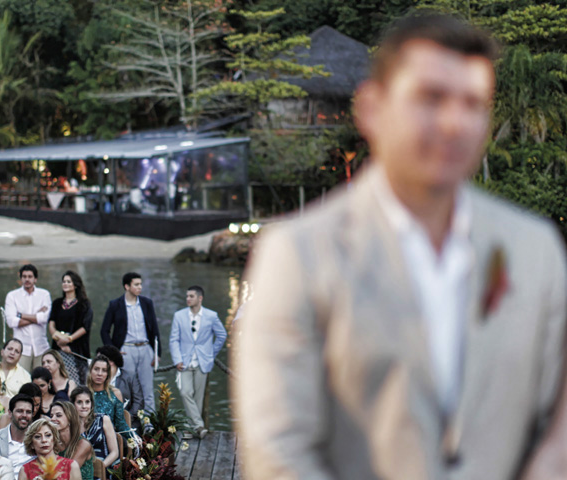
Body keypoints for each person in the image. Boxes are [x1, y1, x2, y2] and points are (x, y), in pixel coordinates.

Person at [235, 13, 567, 479]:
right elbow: (278, 449)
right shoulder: (297, 254)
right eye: (431, 98)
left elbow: (557, 423)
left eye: (473, 104)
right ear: (372, 109)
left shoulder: (534, 248)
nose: (454, 123)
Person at [169, 285, 226, 439]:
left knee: (198, 398)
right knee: (185, 392)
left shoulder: (211, 316)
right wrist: (177, 359)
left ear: (200, 298)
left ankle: (189, 429)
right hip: (184, 362)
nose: (188, 299)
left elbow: (221, 335)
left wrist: (210, 354)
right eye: (187, 296)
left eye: (191, 296)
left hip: (202, 362)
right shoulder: (179, 316)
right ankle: (199, 426)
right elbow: (174, 340)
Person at [101, 272, 161, 411]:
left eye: (140, 284)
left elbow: (154, 329)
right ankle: (127, 419)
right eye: (136, 284)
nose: (140, 287)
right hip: (126, 350)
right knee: (126, 388)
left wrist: (157, 353)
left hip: (145, 348)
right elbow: (104, 330)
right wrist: (113, 352)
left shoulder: (147, 303)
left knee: (148, 389)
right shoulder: (115, 305)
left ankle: (149, 420)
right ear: (127, 286)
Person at [4, 264, 52, 372]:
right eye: (24, 276)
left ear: (35, 279)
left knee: (42, 379)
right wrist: (36, 315)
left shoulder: (44, 294)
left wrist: (20, 315)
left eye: (30, 276)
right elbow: (11, 322)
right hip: (21, 348)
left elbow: (44, 318)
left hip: (41, 347)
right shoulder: (12, 296)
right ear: (21, 278)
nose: (27, 279)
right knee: (21, 379)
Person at [48, 271, 93, 382]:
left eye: (69, 282)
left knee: (77, 380)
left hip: (76, 348)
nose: (65, 284)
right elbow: (51, 323)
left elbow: (85, 327)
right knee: (57, 379)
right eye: (64, 282)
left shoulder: (84, 304)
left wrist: (69, 339)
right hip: (58, 346)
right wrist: (58, 338)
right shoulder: (57, 303)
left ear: (75, 285)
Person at [0, 394, 36, 478]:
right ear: (10, 413)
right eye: (19, 411)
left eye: (28, 412)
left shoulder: (37, 439)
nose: (24, 415)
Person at [71, 387, 118, 468]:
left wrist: (100, 468)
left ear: (91, 404)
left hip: (104, 467)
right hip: (79, 469)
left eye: (87, 402)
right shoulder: (70, 425)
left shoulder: (103, 419)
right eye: (79, 402)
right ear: (73, 404)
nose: (84, 406)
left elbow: (114, 452)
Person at [95, 345, 144, 423]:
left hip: (128, 423)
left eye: (99, 359)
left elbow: (138, 402)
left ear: (110, 362)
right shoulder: (96, 379)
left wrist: (124, 421)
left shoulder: (130, 377)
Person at [87, 355, 130, 439]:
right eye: (96, 369)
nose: (99, 373)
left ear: (107, 374)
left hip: (110, 438)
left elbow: (120, 424)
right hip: (87, 437)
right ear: (90, 371)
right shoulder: (83, 393)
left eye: (104, 370)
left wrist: (135, 438)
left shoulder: (115, 393)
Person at [49, 401, 94, 480]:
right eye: (51, 416)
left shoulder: (83, 444)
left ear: (70, 418)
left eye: (58, 415)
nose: (52, 419)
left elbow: (66, 473)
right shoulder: (53, 444)